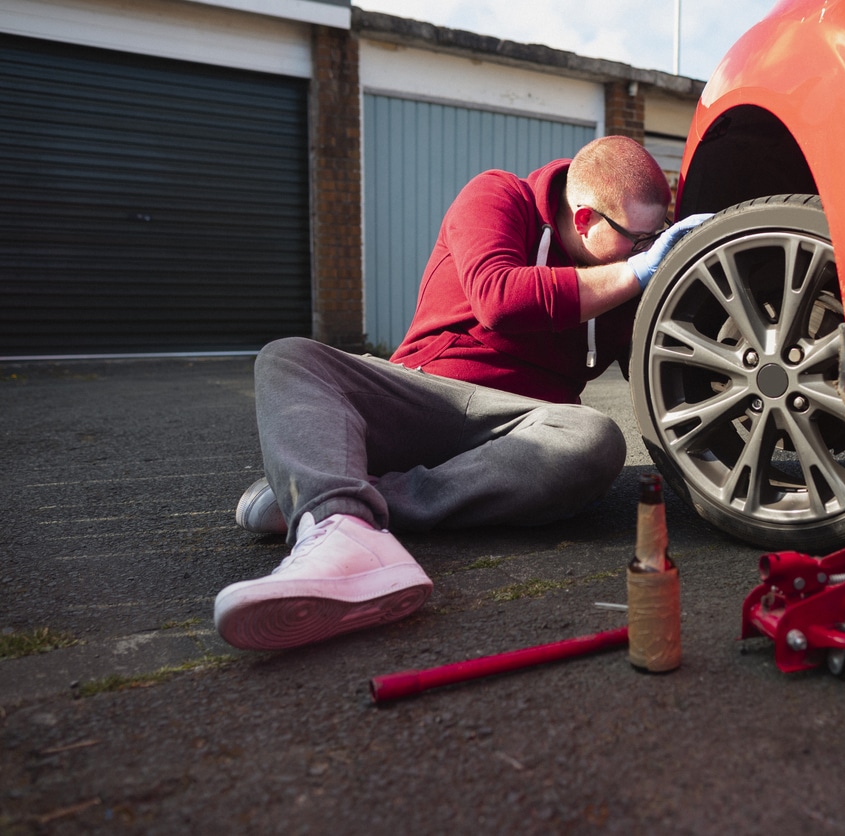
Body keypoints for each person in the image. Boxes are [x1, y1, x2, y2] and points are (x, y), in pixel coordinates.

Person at [213, 135, 711, 652]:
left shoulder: (625, 283)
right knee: (289, 356)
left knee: (595, 437)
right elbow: (499, 298)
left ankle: (338, 503)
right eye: (640, 240)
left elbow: (661, 375)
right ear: (585, 220)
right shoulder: (497, 196)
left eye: (660, 238)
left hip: (518, 429)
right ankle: (333, 530)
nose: (652, 252)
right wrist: (632, 273)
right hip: (424, 395)